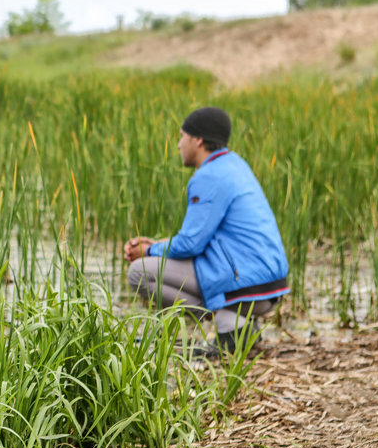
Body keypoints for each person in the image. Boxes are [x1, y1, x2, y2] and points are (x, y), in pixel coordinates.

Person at [123, 106, 289, 353]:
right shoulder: (234, 164)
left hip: (248, 285)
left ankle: (230, 325)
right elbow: (204, 237)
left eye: (182, 136)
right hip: (269, 283)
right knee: (155, 263)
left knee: (138, 273)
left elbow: (191, 245)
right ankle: (240, 323)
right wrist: (156, 245)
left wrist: (149, 251)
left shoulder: (209, 176)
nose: (179, 144)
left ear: (198, 140)